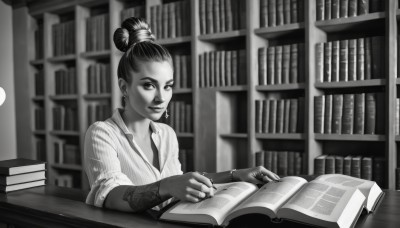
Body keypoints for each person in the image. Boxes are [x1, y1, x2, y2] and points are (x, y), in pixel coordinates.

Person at [84, 17, 280, 213]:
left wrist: (235, 175)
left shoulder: (167, 134)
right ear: (124, 87)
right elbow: (111, 196)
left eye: (167, 86)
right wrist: (168, 185)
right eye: (149, 85)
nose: (161, 97)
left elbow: (180, 181)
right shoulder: (102, 133)